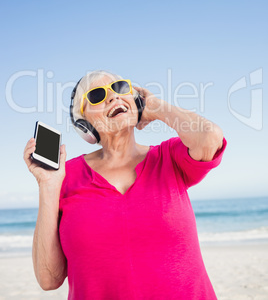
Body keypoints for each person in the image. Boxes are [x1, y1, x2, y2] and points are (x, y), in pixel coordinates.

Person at [23, 70, 227, 299]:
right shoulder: (64, 176)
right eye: (97, 95)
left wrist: (156, 107)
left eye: (120, 88)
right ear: (84, 123)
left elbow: (210, 138)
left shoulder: (168, 157)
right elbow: (49, 279)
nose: (113, 98)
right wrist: (48, 186)